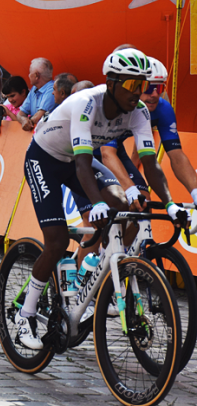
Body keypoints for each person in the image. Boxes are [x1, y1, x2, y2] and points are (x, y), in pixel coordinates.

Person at [14, 48, 188, 349]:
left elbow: (150, 163)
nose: (139, 93)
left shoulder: (139, 112)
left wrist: (171, 203)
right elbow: (82, 165)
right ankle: (25, 314)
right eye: (132, 85)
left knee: (126, 207)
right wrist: (95, 204)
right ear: (112, 83)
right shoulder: (86, 103)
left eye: (143, 86)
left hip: (74, 160)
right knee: (55, 242)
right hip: (45, 159)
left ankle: (93, 274)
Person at [96, 57, 197, 218]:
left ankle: (136, 242)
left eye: (159, 87)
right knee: (106, 208)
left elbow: (176, 155)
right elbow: (107, 154)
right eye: (149, 88)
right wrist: (130, 190)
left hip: (116, 151)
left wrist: (195, 193)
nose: (155, 94)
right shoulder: (114, 106)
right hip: (85, 154)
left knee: (144, 201)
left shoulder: (162, 109)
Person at [15, 57, 56, 131]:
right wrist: (24, 120)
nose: (28, 75)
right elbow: (20, 114)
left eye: (30, 72)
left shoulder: (52, 89)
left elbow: (39, 117)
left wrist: (26, 121)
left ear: (36, 76)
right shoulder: (34, 88)